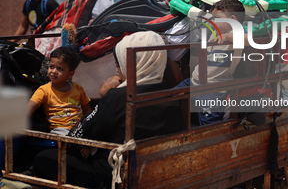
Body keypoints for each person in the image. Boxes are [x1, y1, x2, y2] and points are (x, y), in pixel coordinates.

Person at [31, 31, 183, 188]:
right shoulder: (170, 94)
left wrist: (77, 142)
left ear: (132, 63)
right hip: (154, 167)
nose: (117, 71)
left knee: (43, 158)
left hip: (111, 172)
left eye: (119, 65)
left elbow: (82, 133)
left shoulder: (118, 96)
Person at [176, 0, 245, 125]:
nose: (212, 21)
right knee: (168, 99)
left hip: (215, 88)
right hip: (194, 81)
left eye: (216, 18)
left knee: (210, 125)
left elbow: (249, 39)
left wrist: (227, 37)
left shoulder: (234, 33)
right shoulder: (215, 33)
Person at [27, 46, 91, 136]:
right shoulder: (43, 90)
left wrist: (90, 125)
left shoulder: (78, 89)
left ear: (70, 74)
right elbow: (28, 109)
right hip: (59, 130)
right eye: (51, 67)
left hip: (79, 127)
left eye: (60, 69)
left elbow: (87, 110)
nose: (53, 71)